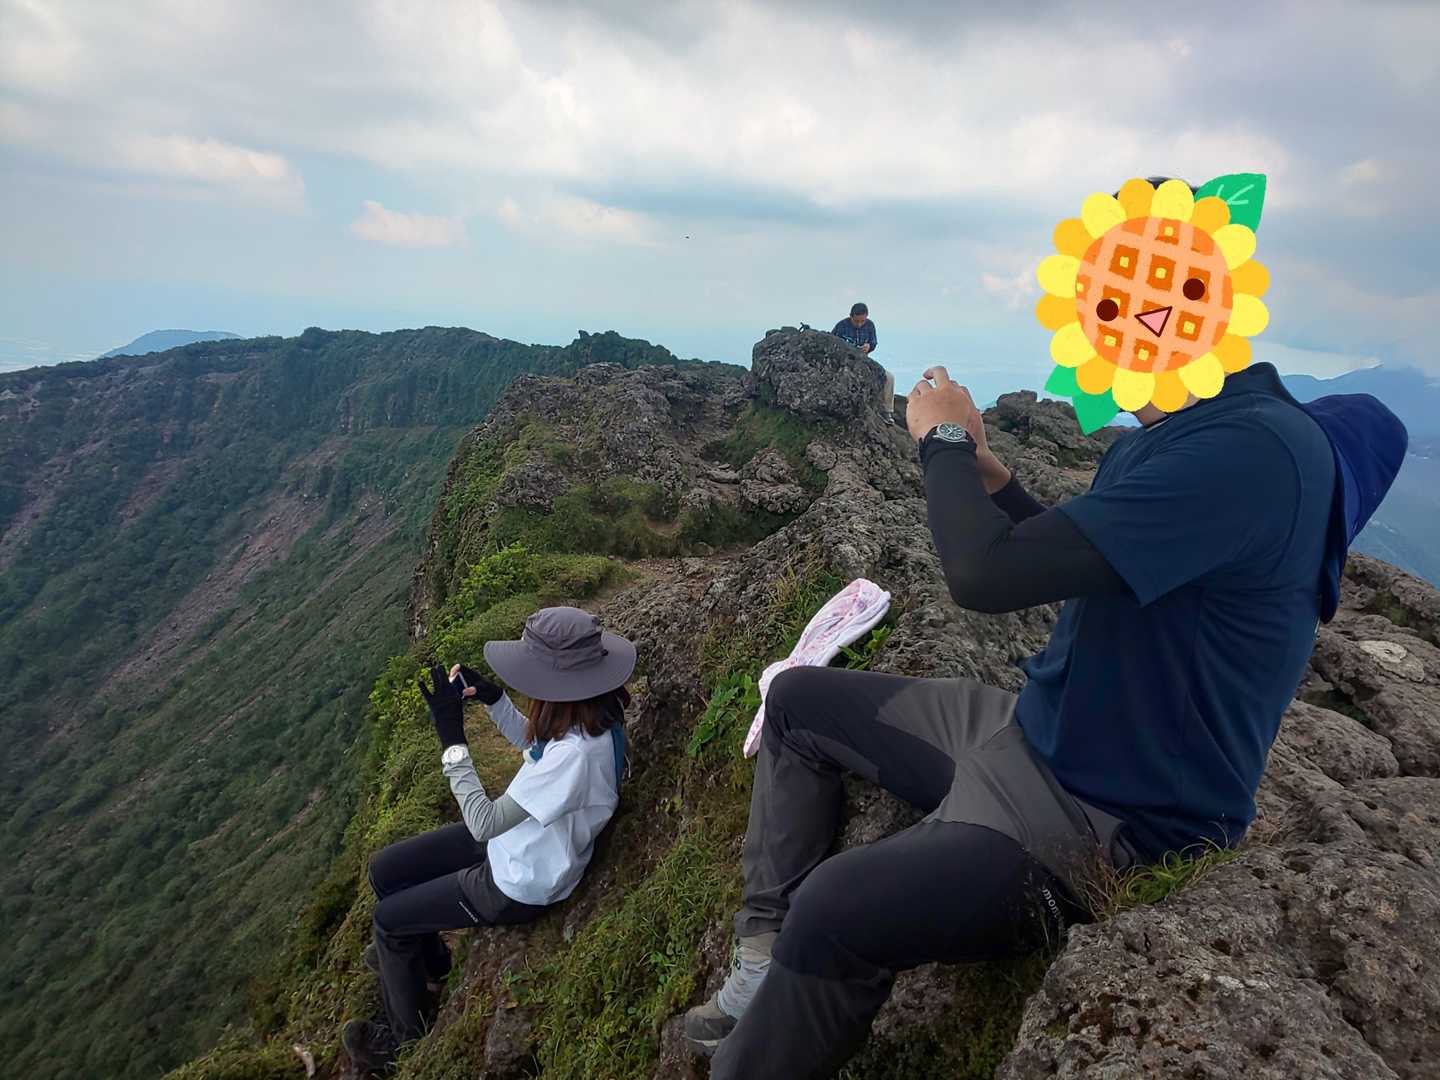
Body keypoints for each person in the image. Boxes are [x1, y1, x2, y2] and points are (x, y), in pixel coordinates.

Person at [681, 354, 1404, 1069]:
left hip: (1104, 815)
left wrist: (944, 441)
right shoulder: (1216, 453)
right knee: (797, 700)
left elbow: (983, 575)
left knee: (835, 910)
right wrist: (994, 478)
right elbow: (1084, 560)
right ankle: (761, 957)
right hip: (1032, 730)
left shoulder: (1254, 462)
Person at [342, 607, 635, 1075]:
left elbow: (482, 822)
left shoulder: (577, 756)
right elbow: (537, 750)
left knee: (388, 922)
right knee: (386, 871)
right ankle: (427, 966)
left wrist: (451, 739)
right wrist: (495, 700)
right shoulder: (593, 716)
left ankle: (403, 1042)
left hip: (518, 881)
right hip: (519, 837)